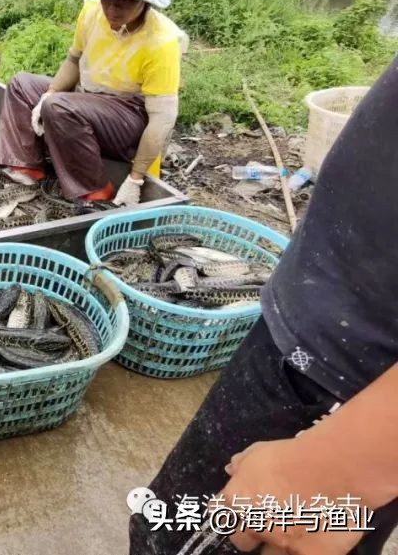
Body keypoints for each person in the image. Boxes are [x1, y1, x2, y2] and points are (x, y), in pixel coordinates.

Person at [129, 56, 398, 555]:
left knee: (173, 542)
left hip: (349, 385)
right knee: (158, 528)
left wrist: (352, 461)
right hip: (303, 321)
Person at [0, 0, 185, 204]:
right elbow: (73, 61)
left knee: (60, 107)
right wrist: (48, 94)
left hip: (129, 118)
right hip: (88, 98)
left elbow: (162, 121)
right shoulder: (91, 12)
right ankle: (27, 166)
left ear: (144, 0)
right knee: (22, 84)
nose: (112, 8)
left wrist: (136, 178)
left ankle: (95, 190)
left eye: (125, 0)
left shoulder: (161, 41)